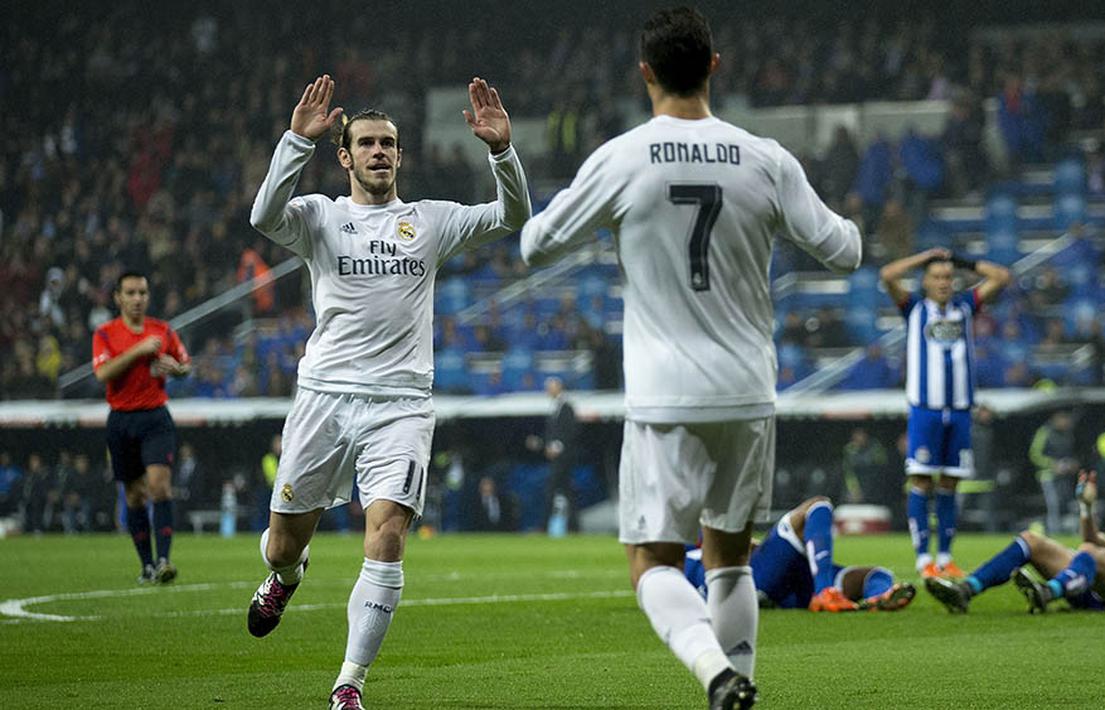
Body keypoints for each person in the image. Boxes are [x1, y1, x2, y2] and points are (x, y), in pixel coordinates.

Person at [520, 9, 862, 708]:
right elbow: (844, 250)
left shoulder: (621, 157)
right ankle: (739, 683)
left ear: (644, 72)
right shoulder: (765, 157)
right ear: (714, 64)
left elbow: (535, 245)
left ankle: (715, 674)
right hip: (746, 389)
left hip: (663, 393)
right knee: (729, 556)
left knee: (652, 561)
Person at [246, 74, 530, 710]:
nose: (379, 152)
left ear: (401, 156)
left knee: (389, 535)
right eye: (366, 143)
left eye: (388, 144)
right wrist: (295, 140)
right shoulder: (321, 217)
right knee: (284, 540)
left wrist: (502, 153)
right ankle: (285, 577)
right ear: (344, 156)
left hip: (401, 405)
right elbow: (263, 216)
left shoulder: (429, 222)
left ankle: (349, 683)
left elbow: (514, 216)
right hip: (323, 397)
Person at [879, 247, 1010, 578]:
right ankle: (924, 558)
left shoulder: (965, 307)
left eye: (948, 277)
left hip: (961, 410)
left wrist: (963, 260)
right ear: (925, 281)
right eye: (936, 277)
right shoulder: (914, 309)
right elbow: (887, 275)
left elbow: (1001, 277)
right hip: (926, 410)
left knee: (951, 484)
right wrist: (922, 257)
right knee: (922, 480)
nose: (943, 282)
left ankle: (945, 557)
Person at [926, 471, 1105, 614]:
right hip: (1093, 590)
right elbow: (1092, 539)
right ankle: (966, 589)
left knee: (1092, 553)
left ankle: (1048, 592)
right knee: (1032, 540)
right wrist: (1085, 506)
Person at [93, 271, 191, 583]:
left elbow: (185, 365)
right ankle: (147, 565)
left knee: (159, 486)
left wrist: (176, 370)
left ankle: (164, 560)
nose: (138, 299)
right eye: (131, 293)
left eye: (143, 293)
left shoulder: (162, 331)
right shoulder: (105, 334)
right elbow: (103, 373)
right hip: (121, 420)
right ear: (118, 297)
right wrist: (139, 351)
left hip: (155, 418)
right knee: (134, 496)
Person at [684, 497, 915, 613]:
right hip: (754, 575)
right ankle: (825, 591)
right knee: (817, 505)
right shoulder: (689, 551)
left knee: (872, 575)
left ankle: (878, 598)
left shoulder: (679, 551)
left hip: (783, 587)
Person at [526, 377, 579, 531]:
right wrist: (540, 443)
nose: (548, 391)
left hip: (563, 459)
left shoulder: (566, 407)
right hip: (559, 459)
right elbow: (553, 435)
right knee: (568, 493)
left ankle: (543, 527)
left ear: (559, 388)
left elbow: (571, 432)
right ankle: (575, 527)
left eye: (550, 387)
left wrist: (557, 447)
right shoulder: (555, 407)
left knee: (551, 490)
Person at [1028, 410, 1079, 534]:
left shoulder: (1068, 434)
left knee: (1067, 504)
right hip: (1048, 476)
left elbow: (1071, 453)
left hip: (1065, 476)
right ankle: (1054, 532)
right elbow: (1034, 454)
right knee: (1053, 505)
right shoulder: (1044, 432)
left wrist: (1072, 463)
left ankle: (1068, 532)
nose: (1066, 423)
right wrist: (1052, 465)